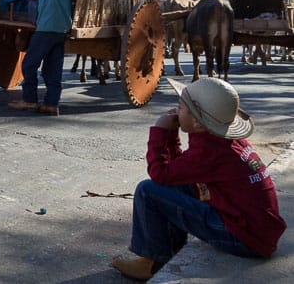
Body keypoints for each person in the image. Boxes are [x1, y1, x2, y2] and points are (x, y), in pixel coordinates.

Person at [112, 78, 286, 281]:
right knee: (177, 186)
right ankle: (169, 247)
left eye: (180, 107)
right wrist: (172, 135)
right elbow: (179, 172)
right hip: (256, 232)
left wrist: (161, 131)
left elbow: (160, 173)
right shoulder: (222, 140)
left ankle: (153, 260)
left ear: (196, 121)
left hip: (245, 239)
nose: (176, 112)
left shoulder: (210, 151)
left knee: (148, 191)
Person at [8, 0, 72, 115]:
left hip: (49, 27)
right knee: (52, 68)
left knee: (29, 64)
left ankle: (30, 100)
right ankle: (51, 104)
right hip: (56, 27)